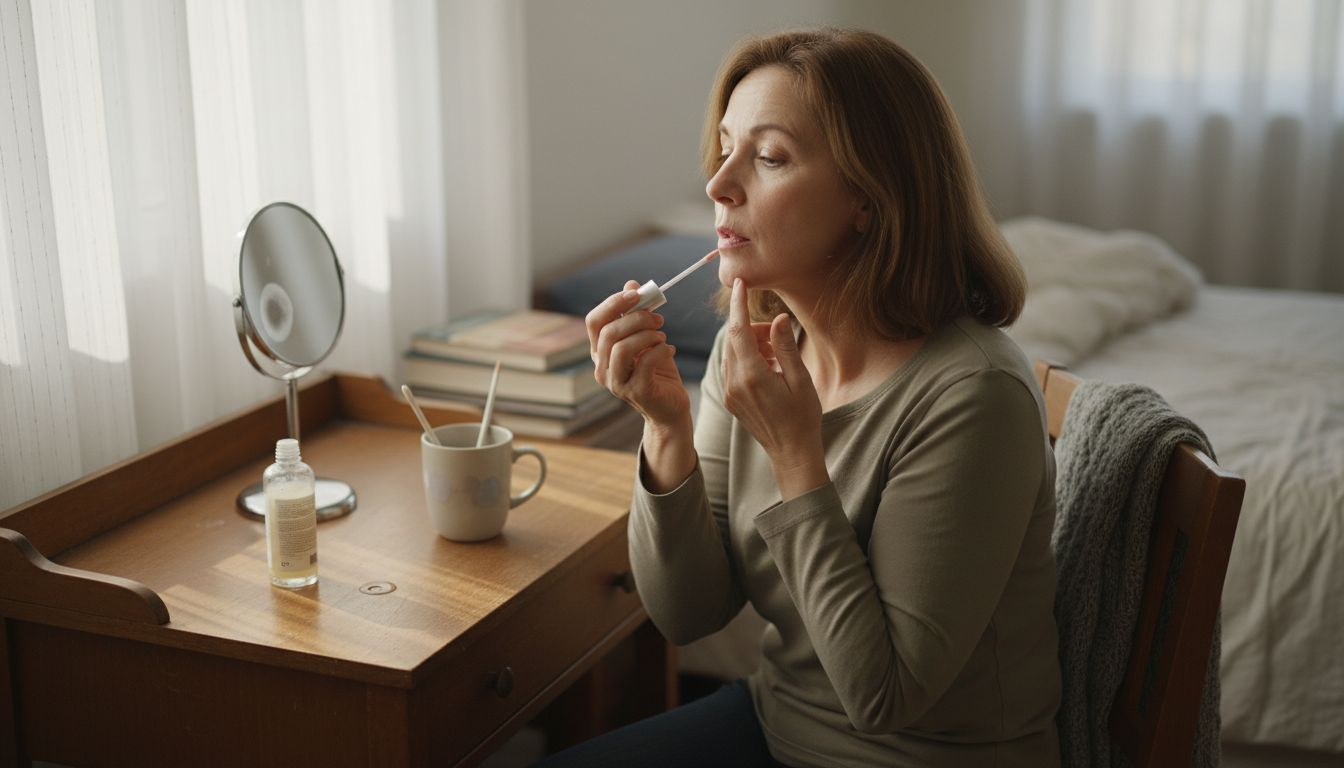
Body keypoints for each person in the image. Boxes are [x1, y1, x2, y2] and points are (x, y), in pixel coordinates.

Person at [538, 27, 1061, 768]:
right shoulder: (747, 346)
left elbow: (883, 699)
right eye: (725, 148)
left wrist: (795, 454)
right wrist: (664, 429)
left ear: (870, 197)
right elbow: (687, 613)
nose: (719, 185)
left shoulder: (974, 395)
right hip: (777, 724)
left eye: (770, 156)